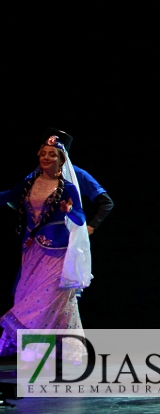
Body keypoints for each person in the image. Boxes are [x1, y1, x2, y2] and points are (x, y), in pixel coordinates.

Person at [0, 134, 92, 360]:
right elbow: (8, 196)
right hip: (32, 252)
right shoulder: (30, 182)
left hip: (57, 253)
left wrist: (70, 211)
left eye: (52, 155)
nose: (46, 158)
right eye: (43, 154)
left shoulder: (68, 187)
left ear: (61, 160)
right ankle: (45, 354)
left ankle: (40, 353)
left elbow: (80, 218)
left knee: (47, 299)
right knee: (29, 296)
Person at [33, 129, 114, 237]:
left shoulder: (78, 174)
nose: (46, 158)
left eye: (52, 154)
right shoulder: (39, 172)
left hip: (67, 234)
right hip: (39, 234)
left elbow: (107, 203)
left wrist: (92, 226)